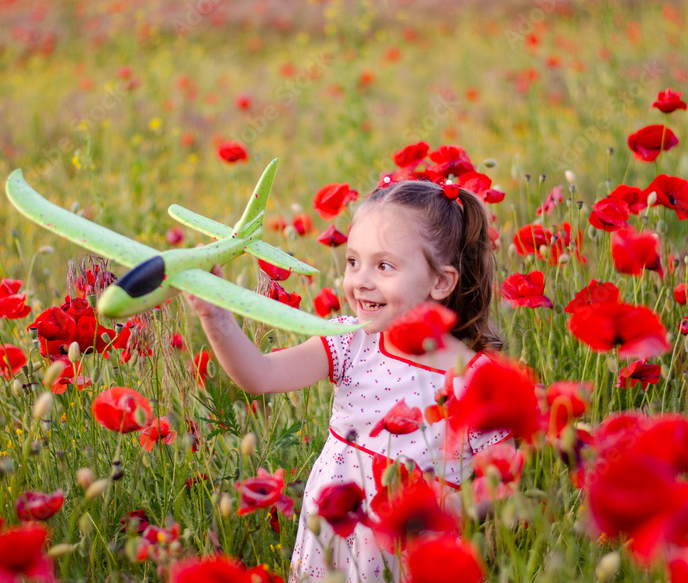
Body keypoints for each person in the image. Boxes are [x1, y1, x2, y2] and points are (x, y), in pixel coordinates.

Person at [185, 179, 505, 582]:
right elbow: (260, 376)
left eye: (384, 265)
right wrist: (215, 316)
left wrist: (448, 512)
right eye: (353, 262)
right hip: (331, 545)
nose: (361, 281)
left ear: (440, 282)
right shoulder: (351, 342)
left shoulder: (474, 378)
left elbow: (503, 479)